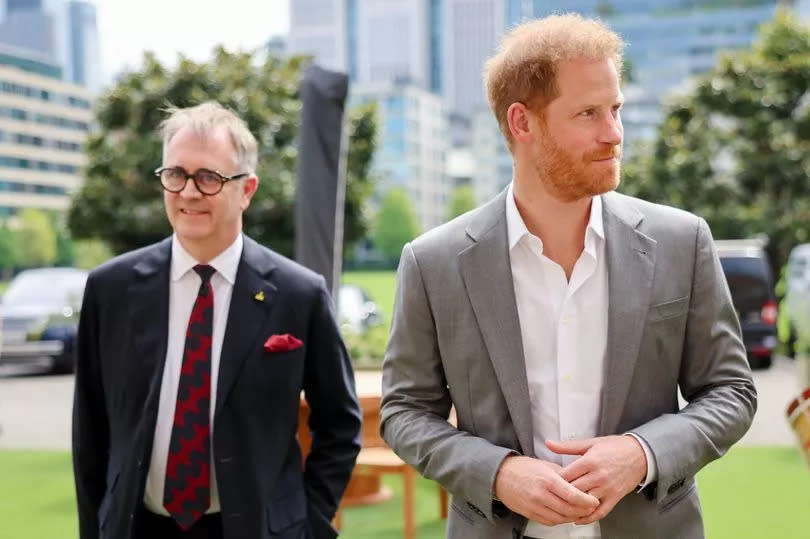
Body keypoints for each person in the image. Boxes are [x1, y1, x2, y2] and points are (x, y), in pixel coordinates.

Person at [380, 14, 756, 539]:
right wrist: (500, 473)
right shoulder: (434, 262)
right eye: (588, 113)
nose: (614, 134)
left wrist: (642, 454)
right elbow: (405, 411)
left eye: (616, 109)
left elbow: (730, 392)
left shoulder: (683, 241)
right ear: (522, 122)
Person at [72, 101, 362, 539]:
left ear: (247, 189)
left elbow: (340, 425)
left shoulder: (300, 295)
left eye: (208, 177)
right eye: (176, 174)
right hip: (136, 526)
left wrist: (307, 521)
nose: (189, 192)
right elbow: (89, 433)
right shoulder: (110, 289)